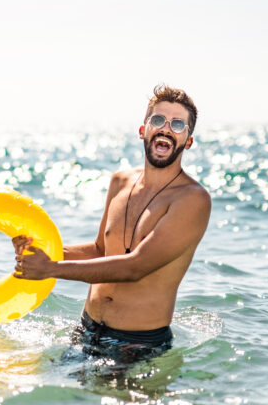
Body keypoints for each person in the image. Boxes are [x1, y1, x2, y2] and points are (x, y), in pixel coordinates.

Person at [13, 84, 211, 363]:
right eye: (158, 120)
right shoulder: (120, 181)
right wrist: (43, 251)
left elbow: (135, 267)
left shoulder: (192, 199)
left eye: (178, 124)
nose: (166, 129)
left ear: (188, 141)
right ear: (143, 130)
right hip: (86, 329)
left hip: (138, 344)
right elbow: (100, 250)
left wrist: (51, 268)